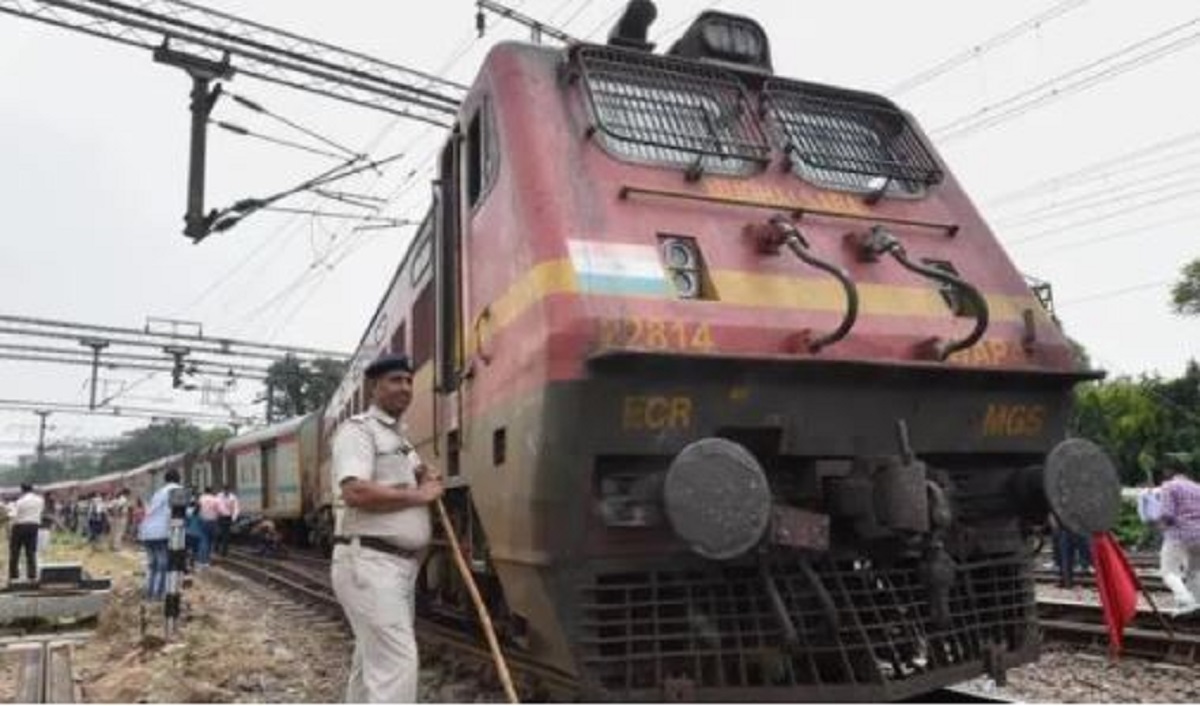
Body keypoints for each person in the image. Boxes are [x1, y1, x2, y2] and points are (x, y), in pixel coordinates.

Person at [330, 353, 444, 703]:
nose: (405, 388)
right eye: (395, 380)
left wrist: (424, 475)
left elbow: (407, 480)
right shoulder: (359, 430)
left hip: (392, 567)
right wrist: (419, 493)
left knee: (371, 666)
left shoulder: (400, 440)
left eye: (409, 381)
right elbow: (355, 490)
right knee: (396, 666)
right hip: (371, 563)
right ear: (374, 386)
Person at [1155, 460, 1200, 614]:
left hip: (1178, 535)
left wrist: (1160, 525)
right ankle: (1197, 603)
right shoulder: (1197, 487)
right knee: (1193, 572)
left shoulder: (1169, 486)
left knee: (1168, 572)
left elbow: (1167, 513)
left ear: (1170, 470)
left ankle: (1185, 599)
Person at [139, 470, 183, 601]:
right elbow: (178, 515)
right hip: (161, 533)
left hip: (147, 532)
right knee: (163, 565)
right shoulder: (177, 490)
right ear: (178, 479)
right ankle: (158, 596)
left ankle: (148, 593)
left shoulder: (159, 492)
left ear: (165, 480)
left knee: (152, 565)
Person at [8, 483, 45, 583]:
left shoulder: (20, 501)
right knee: (31, 551)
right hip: (34, 526)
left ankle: (14, 575)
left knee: (15, 551)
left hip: (19, 526)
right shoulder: (40, 500)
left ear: (22, 490)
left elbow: (13, 515)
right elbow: (40, 512)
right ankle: (32, 575)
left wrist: (9, 510)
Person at [197, 487, 220, 567]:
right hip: (213, 521)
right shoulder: (215, 499)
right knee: (211, 541)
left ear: (205, 491)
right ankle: (207, 561)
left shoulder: (201, 498)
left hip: (203, 520)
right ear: (211, 491)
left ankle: (201, 561)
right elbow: (219, 510)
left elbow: (197, 508)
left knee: (203, 540)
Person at [215, 485, 239, 557]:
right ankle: (216, 547)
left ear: (229, 490)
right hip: (219, 517)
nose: (226, 491)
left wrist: (234, 518)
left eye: (227, 490)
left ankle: (224, 552)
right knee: (218, 533)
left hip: (228, 518)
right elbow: (215, 506)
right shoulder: (219, 496)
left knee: (226, 535)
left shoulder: (233, 498)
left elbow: (236, 508)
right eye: (225, 490)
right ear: (223, 490)